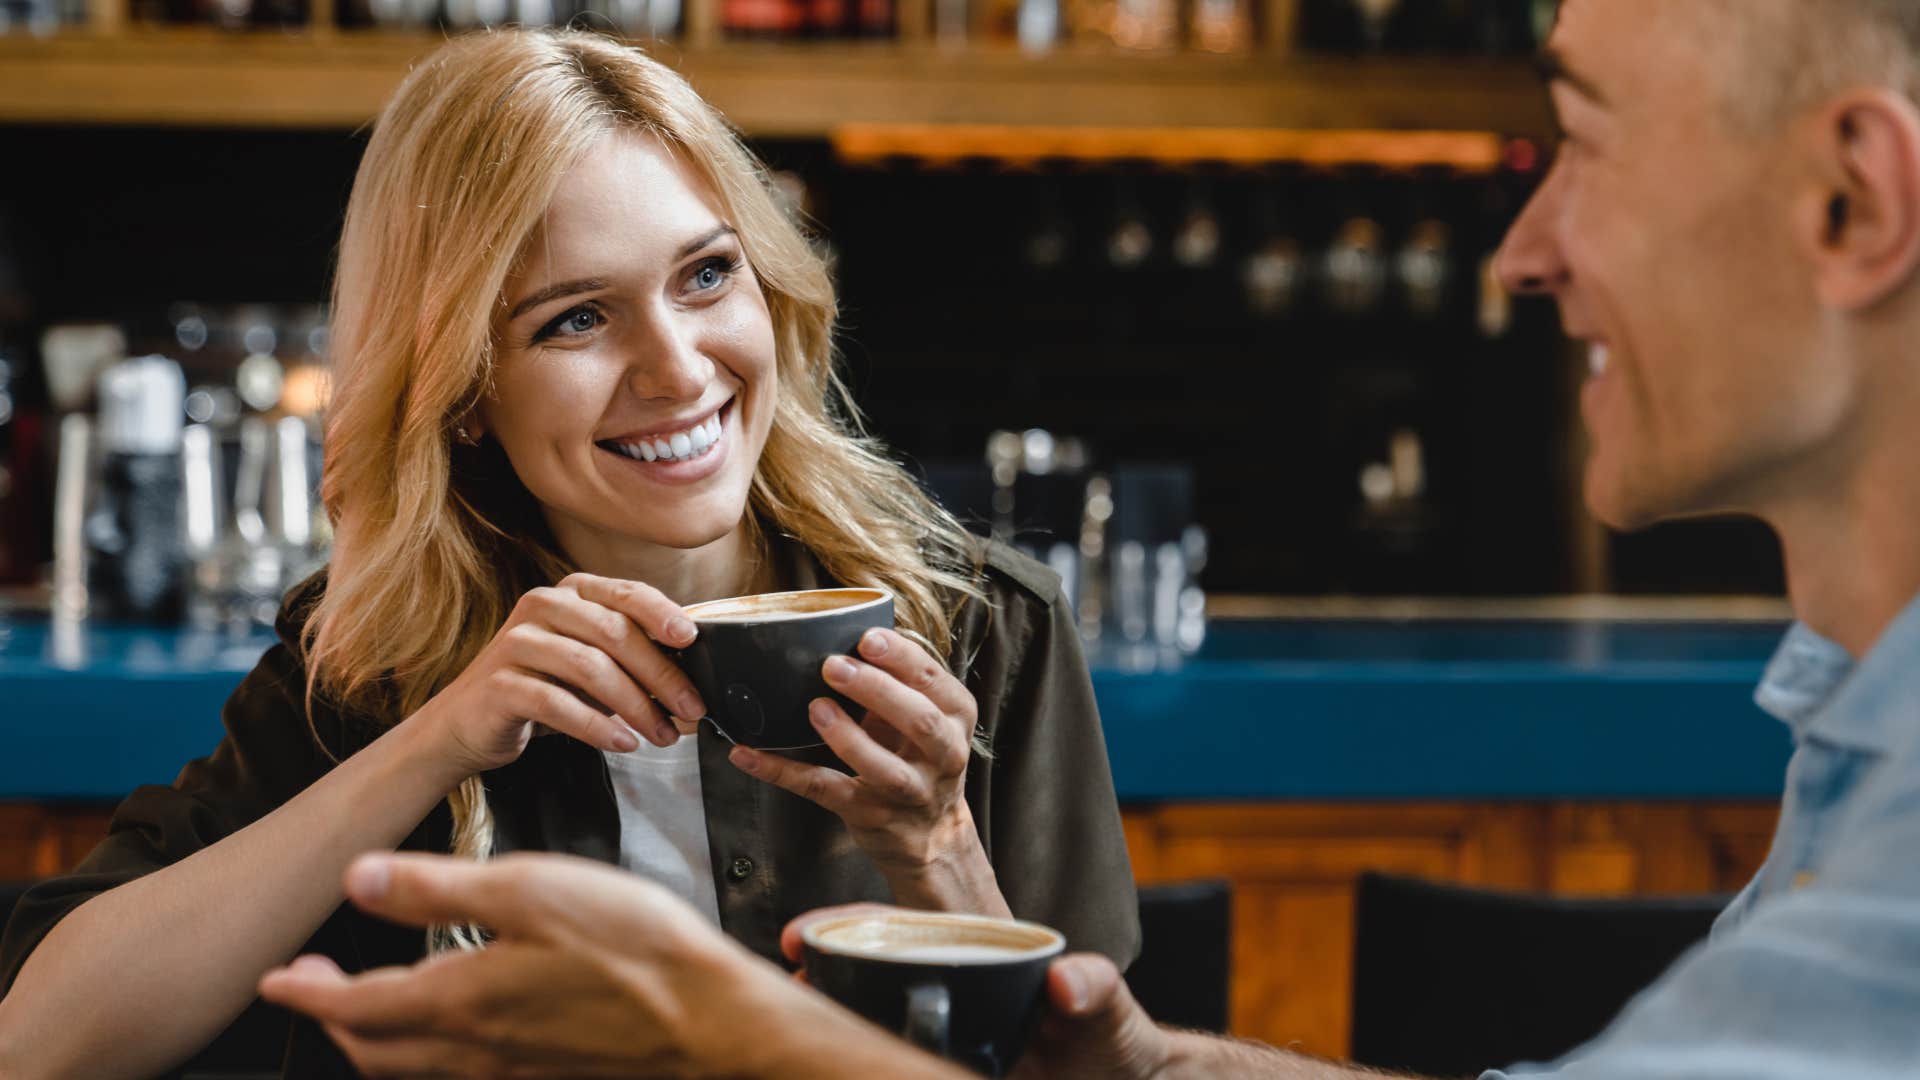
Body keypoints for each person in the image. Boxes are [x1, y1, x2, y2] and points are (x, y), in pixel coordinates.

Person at [262, 0, 1920, 1076]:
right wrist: (1149, 1062)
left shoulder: (987, 623)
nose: (1526, 244)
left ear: (1854, 205)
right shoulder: (1852, 729)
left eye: (1586, 140)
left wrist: (711, 1027)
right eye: (573, 318)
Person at [0, 28, 1138, 1079]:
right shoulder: (369, 668)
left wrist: (935, 844)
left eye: (706, 275)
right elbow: (41, 1043)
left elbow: (1083, 1061)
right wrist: (430, 745)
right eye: (575, 319)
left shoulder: (988, 628)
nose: (680, 370)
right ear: (461, 397)